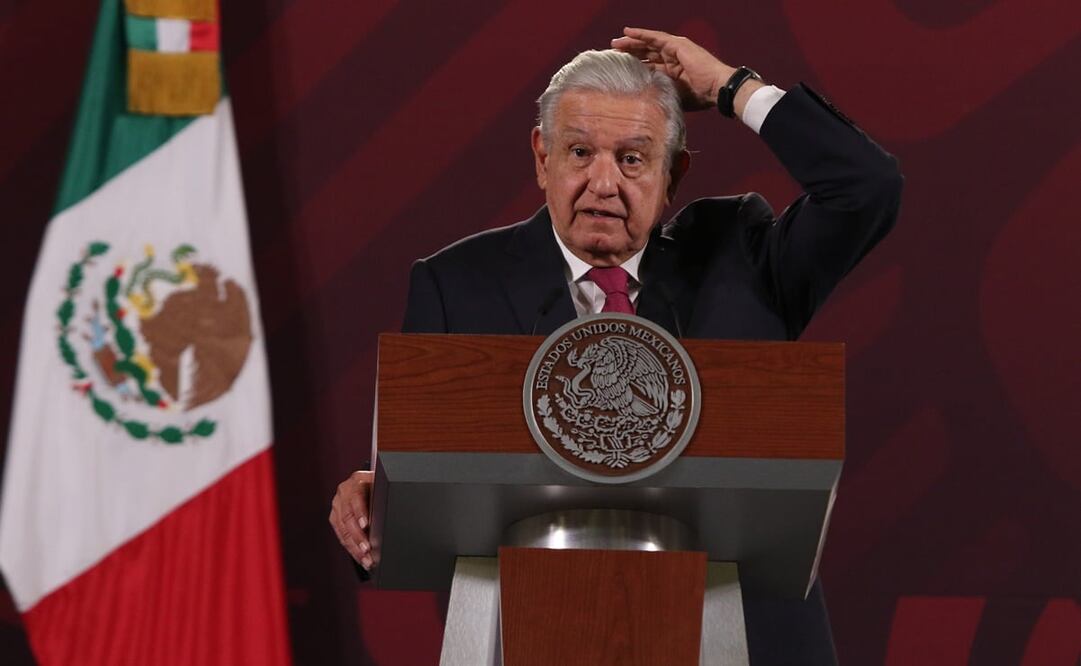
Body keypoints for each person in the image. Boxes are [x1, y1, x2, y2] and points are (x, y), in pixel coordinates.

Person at [329, 27, 902, 664]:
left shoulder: (738, 255)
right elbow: (421, 496)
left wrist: (731, 88)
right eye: (580, 153)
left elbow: (866, 188)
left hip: (744, 639)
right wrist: (379, 496)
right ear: (542, 158)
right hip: (537, 636)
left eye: (633, 158)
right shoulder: (457, 285)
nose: (604, 183)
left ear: (674, 173)